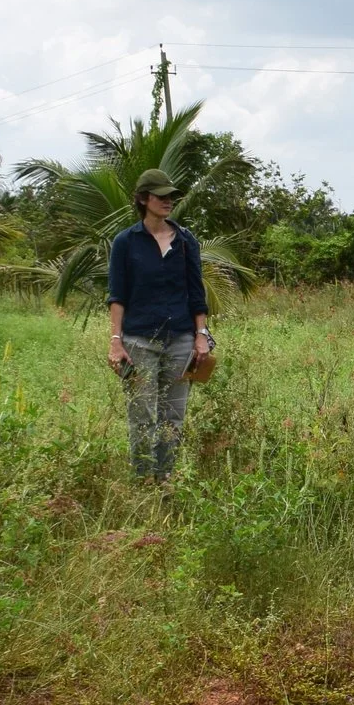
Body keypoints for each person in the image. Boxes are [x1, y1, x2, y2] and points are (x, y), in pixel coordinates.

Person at [106, 167, 214, 483]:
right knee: (141, 415)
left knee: (173, 417)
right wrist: (116, 340)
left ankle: (164, 477)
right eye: (161, 196)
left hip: (180, 340)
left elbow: (197, 293)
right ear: (143, 199)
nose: (168, 201)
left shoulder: (185, 241)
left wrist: (201, 335)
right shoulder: (126, 242)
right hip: (139, 341)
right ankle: (142, 480)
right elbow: (117, 296)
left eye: (171, 196)